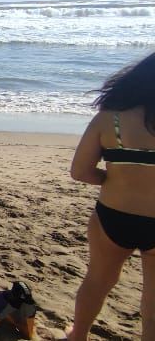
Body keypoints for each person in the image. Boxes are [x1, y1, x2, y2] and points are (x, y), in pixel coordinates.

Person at [67, 52, 155, 341]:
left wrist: (110, 179)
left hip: (114, 214)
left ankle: (77, 335)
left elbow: (80, 171)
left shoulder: (111, 118)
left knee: (97, 280)